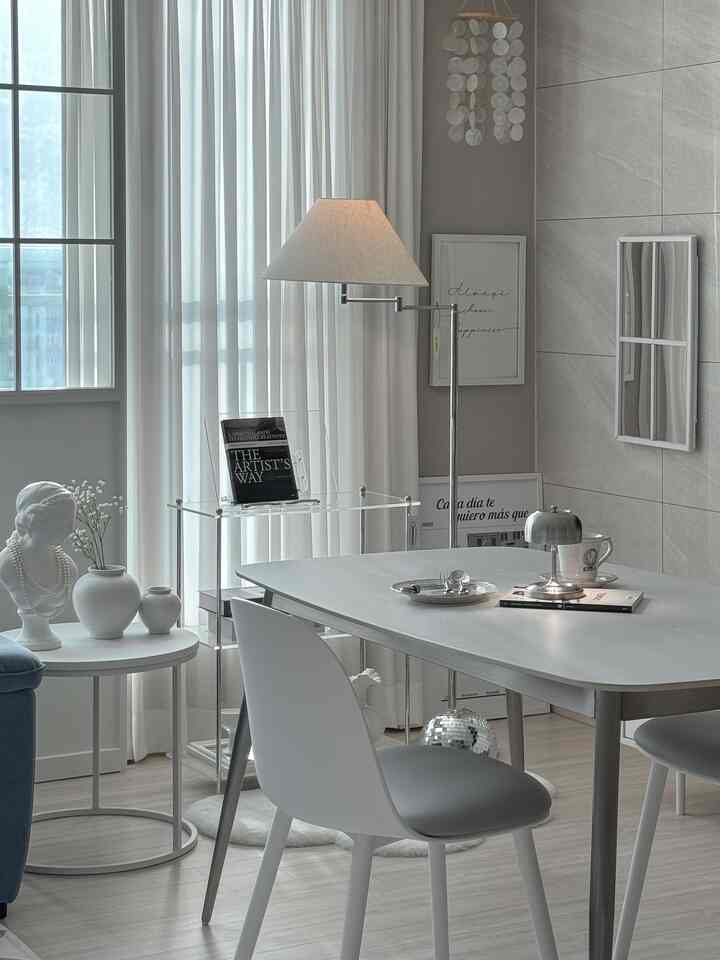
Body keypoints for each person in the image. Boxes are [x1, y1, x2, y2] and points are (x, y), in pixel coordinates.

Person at [0, 482, 77, 650]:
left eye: (72, 520)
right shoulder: (7, 564)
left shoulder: (68, 567)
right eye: (64, 520)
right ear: (35, 519)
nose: (71, 528)